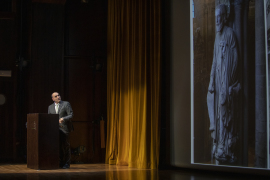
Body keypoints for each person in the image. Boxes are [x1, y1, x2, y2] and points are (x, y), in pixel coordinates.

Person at [207, 4, 241, 164]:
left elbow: (235, 60)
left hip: (227, 81)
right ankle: (217, 142)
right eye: (216, 17)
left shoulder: (230, 34)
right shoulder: (217, 36)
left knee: (224, 109)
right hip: (218, 80)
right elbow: (214, 60)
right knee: (216, 110)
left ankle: (223, 145)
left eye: (220, 16)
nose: (218, 20)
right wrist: (211, 80)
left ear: (225, 17)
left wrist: (231, 83)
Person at [48, 92, 74, 169]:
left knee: (66, 146)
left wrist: (64, 118)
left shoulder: (66, 104)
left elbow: (71, 115)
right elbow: (49, 118)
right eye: (56, 96)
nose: (58, 97)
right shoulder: (50, 107)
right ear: (53, 99)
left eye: (58, 95)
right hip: (55, 129)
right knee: (58, 146)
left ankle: (67, 163)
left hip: (64, 128)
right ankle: (60, 162)